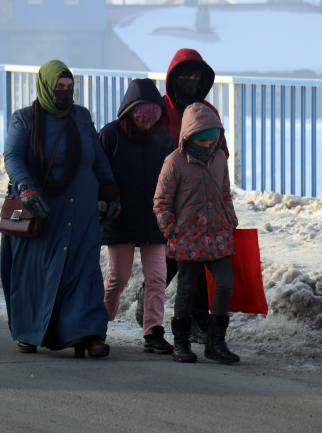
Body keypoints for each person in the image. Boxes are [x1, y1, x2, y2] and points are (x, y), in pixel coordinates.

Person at [1, 59, 121, 358]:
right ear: (45, 87)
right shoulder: (24, 120)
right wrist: (25, 187)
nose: (65, 93)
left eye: (69, 87)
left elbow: (98, 158)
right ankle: (28, 331)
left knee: (83, 271)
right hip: (41, 210)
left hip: (81, 210)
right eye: (59, 88)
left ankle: (89, 333)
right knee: (35, 273)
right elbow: (13, 157)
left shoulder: (81, 118)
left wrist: (110, 188)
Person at [137, 48, 229, 345]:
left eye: (196, 76)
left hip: (201, 202)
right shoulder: (159, 110)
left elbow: (221, 153)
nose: (190, 82)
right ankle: (151, 302)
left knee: (200, 261)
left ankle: (198, 321)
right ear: (172, 79)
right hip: (164, 198)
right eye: (184, 76)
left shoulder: (207, 112)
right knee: (170, 262)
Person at [153, 102, 240, 364]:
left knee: (225, 282)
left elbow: (225, 192)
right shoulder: (174, 163)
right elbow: (161, 201)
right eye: (201, 141)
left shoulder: (220, 159)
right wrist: (171, 230)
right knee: (187, 289)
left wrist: (231, 220)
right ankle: (181, 343)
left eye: (211, 140)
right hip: (187, 237)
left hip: (217, 233)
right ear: (188, 137)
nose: (207, 146)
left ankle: (216, 341)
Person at [99, 79, 175, 354]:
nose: (146, 126)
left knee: (157, 277)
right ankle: (98, 324)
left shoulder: (164, 138)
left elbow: (172, 179)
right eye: (141, 119)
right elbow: (99, 173)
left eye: (151, 120)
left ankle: (153, 331)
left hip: (155, 220)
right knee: (118, 276)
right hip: (120, 217)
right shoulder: (110, 135)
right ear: (130, 113)